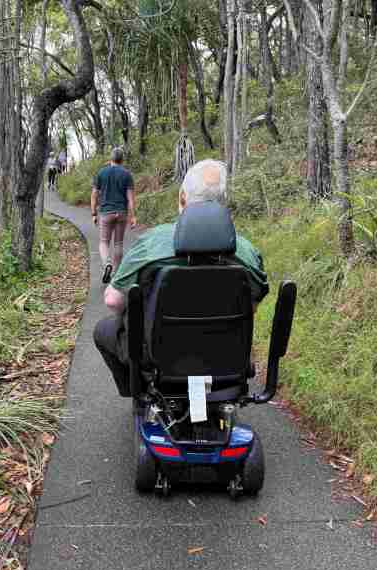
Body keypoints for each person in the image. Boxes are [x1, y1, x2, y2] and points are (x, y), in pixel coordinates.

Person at [93, 159, 268, 397]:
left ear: (182, 198)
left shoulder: (152, 243)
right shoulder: (247, 251)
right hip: (225, 356)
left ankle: (139, 392)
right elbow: (253, 305)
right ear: (224, 201)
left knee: (104, 330)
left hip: (158, 353)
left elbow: (113, 301)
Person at [91, 147, 136, 284]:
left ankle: (107, 264)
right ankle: (116, 275)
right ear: (122, 159)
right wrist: (133, 216)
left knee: (104, 242)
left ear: (111, 158)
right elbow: (130, 198)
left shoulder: (101, 173)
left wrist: (93, 213)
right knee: (118, 243)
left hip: (106, 212)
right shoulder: (127, 174)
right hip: (121, 212)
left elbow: (94, 194)